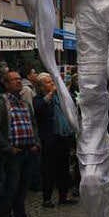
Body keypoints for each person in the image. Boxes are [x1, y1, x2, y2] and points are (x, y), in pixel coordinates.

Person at [0, 69, 40, 217]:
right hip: (13, 152)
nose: (18, 82)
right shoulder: (1, 103)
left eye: (19, 79)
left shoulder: (24, 101)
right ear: (5, 84)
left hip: (28, 150)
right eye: (14, 80)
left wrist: (35, 142)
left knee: (23, 186)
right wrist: (8, 148)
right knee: (10, 187)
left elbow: (33, 123)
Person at [33, 73, 76, 206]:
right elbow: (39, 108)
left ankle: (63, 197)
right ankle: (47, 198)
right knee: (48, 169)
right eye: (48, 82)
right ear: (40, 86)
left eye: (52, 81)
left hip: (63, 137)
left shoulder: (59, 97)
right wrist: (51, 94)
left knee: (63, 168)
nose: (51, 84)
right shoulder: (39, 98)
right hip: (50, 138)